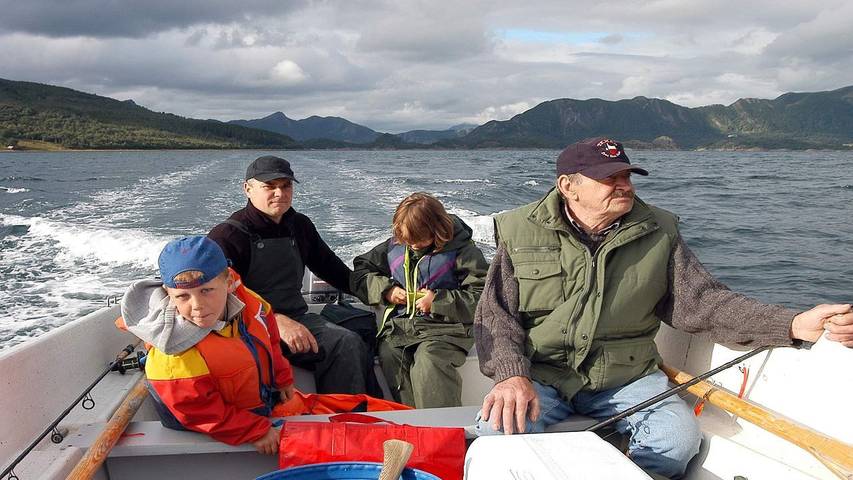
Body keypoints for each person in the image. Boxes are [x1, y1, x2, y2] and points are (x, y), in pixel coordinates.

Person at [473, 137, 853, 478]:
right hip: (542, 373)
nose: (624, 185)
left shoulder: (659, 230)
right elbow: (496, 315)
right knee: (497, 435)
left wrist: (793, 324)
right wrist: (510, 375)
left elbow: (706, 304)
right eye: (610, 178)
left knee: (676, 443)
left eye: (626, 175)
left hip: (626, 376)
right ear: (568, 186)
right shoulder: (519, 230)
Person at [208, 155, 371, 394]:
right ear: (248, 189)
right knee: (343, 343)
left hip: (299, 319)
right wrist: (273, 320)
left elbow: (335, 272)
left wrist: (385, 292)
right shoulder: (228, 237)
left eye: (286, 186)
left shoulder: (300, 226)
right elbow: (216, 299)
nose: (280, 193)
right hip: (246, 328)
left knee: (368, 331)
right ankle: (342, 420)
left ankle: (372, 413)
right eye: (269, 186)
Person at [118, 236, 294, 454]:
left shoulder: (250, 303)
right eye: (182, 296)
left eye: (206, 290)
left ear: (229, 282)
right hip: (210, 430)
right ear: (168, 294)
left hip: (257, 406)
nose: (197, 306)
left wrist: (282, 377)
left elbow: (271, 340)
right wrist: (255, 430)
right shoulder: (173, 357)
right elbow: (199, 413)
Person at [351, 192, 489, 408]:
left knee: (429, 361)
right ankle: (412, 423)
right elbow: (359, 272)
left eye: (419, 239)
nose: (413, 245)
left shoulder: (464, 252)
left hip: (447, 330)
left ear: (438, 230)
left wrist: (437, 300)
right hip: (402, 327)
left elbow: (483, 296)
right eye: (407, 240)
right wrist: (386, 290)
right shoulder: (394, 246)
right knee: (388, 354)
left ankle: (441, 428)